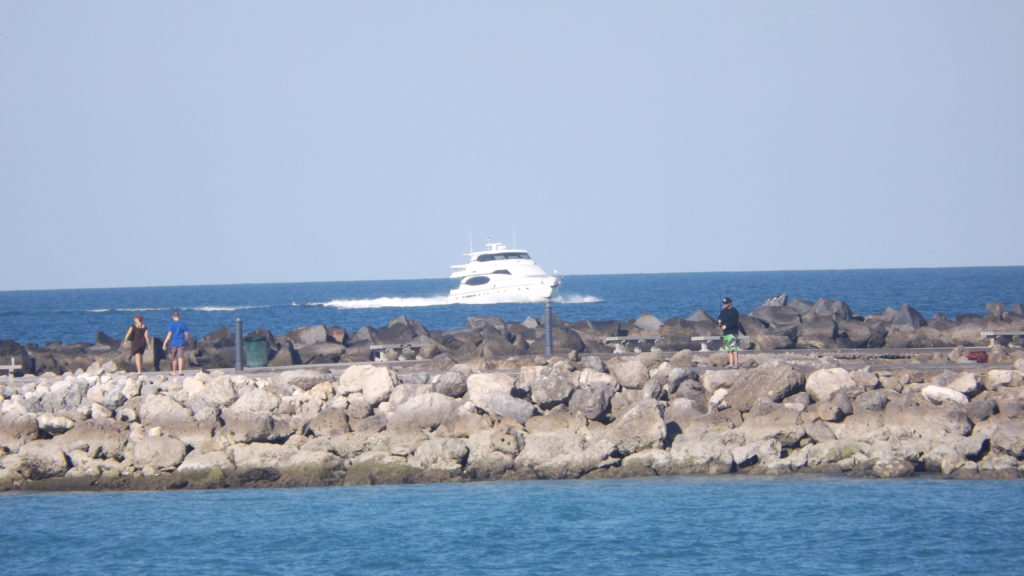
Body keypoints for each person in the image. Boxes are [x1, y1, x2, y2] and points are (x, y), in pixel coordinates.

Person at [716, 297, 741, 368]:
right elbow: (718, 320)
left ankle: (736, 364)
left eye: (726, 303)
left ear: (730, 303)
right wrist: (719, 322)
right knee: (728, 349)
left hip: (732, 332)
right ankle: (730, 364)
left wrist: (726, 326)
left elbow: (734, 322)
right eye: (724, 303)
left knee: (734, 349)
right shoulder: (723, 311)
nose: (724, 304)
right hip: (726, 333)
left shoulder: (734, 311)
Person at [163, 311, 190, 376]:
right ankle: (180, 371)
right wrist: (186, 340)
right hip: (181, 342)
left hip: (173, 343)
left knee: (174, 357)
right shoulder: (183, 324)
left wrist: (165, 343)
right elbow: (186, 333)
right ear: (179, 316)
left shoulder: (171, 324)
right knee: (180, 357)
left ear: (173, 317)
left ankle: (174, 372)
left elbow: (169, 335)